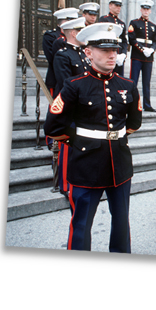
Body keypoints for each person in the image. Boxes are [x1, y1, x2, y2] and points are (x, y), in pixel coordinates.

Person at [43, 22, 142, 253]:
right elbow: (53, 126)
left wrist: (113, 138)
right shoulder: (75, 85)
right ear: (88, 52)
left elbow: (134, 122)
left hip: (120, 163)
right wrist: (79, 142)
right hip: (86, 164)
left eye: (115, 50)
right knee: (81, 224)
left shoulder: (127, 85)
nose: (112, 55)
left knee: (121, 222)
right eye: (105, 50)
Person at [51, 16, 91, 197]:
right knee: (67, 149)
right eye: (81, 31)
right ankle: (65, 185)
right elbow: (67, 83)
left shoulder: (82, 54)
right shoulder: (62, 55)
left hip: (83, 109)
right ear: (74, 33)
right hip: (71, 109)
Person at [128, 0, 156, 112]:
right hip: (137, 56)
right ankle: (131, 104)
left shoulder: (153, 26)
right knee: (133, 81)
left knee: (147, 82)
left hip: (148, 58)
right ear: (141, 10)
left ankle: (147, 104)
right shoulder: (134, 23)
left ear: (150, 11)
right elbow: (132, 38)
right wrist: (142, 49)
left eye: (148, 9)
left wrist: (151, 50)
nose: (146, 11)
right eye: (144, 9)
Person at [43, 7, 79, 97]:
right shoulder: (51, 36)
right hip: (56, 78)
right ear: (63, 23)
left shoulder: (78, 37)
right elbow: (52, 58)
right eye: (71, 21)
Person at [99, 0, 128, 76]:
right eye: (116, 5)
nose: (118, 8)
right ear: (110, 6)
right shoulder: (104, 19)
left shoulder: (121, 23)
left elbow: (124, 41)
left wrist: (123, 54)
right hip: (108, 56)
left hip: (119, 58)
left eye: (120, 6)